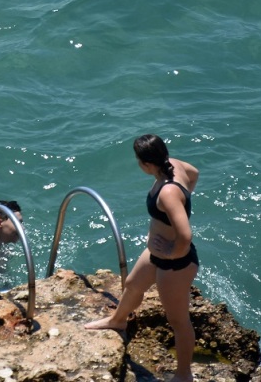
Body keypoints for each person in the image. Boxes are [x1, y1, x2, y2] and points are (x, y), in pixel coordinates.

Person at [85, 134, 200, 382]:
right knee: (133, 285)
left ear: (146, 164)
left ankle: (184, 375)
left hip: (175, 265)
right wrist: (185, 197)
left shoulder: (168, 193)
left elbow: (185, 235)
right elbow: (195, 173)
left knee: (178, 321)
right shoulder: (174, 165)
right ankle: (118, 321)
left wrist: (172, 252)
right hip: (156, 255)